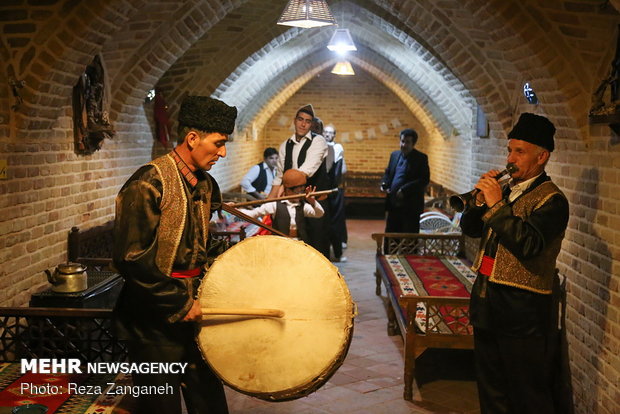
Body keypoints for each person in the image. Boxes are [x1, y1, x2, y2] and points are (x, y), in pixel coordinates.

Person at [113, 95, 236, 414]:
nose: (223, 153)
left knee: (210, 402)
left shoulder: (205, 186)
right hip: (152, 322)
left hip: (195, 314)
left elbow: (200, 244)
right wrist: (180, 303)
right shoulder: (148, 183)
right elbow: (132, 259)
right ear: (192, 138)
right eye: (219, 143)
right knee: (160, 407)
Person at [459, 112, 570, 414]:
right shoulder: (506, 190)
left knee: (526, 392)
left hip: (522, 309)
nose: (511, 157)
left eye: (519, 151)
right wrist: (480, 201)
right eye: (510, 150)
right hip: (486, 301)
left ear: (541, 157)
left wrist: (496, 204)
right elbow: (470, 229)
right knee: (491, 389)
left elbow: (528, 245)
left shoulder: (552, 200)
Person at [269, 104, 330, 258]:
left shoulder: (319, 141)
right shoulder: (285, 145)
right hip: (293, 203)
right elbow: (279, 175)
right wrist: (268, 202)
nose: (303, 124)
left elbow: (305, 171)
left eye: (308, 121)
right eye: (300, 120)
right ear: (295, 121)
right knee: (292, 244)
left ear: (311, 124)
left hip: (313, 201)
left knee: (316, 245)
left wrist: (285, 184)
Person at [238, 169, 324, 241]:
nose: (300, 194)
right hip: (280, 244)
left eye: (302, 191)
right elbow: (254, 213)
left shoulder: (303, 206)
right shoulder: (274, 205)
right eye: (297, 192)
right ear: (288, 191)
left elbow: (319, 213)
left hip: (299, 243)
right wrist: (234, 210)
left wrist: (313, 202)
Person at [380, 128, 430, 233]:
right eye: (402, 141)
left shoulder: (420, 158)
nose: (404, 145)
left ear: (413, 143)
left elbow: (423, 179)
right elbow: (388, 173)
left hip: (410, 206)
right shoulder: (394, 155)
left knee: (409, 239)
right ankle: (389, 250)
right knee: (391, 236)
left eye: (407, 142)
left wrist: (404, 190)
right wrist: (384, 184)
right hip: (393, 205)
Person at [323, 123, 348, 262]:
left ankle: (337, 252)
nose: (327, 134)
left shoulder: (337, 148)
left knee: (334, 221)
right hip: (324, 189)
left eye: (330, 132)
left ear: (334, 135)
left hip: (333, 190)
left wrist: (331, 188)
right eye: (325, 132)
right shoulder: (320, 147)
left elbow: (338, 172)